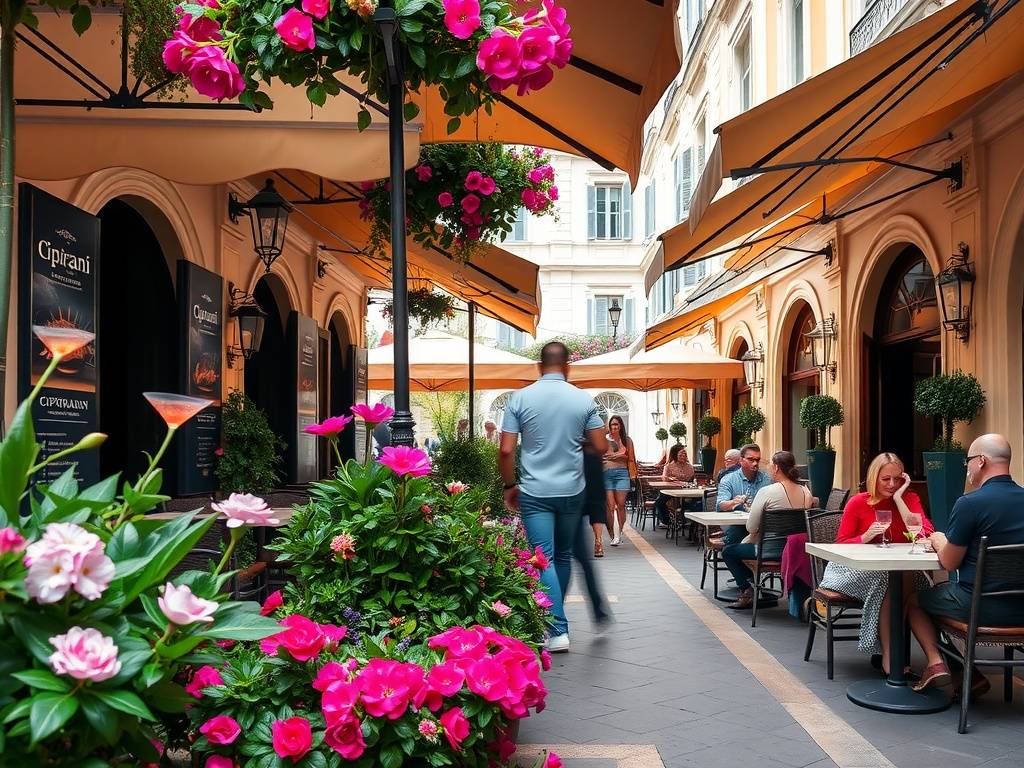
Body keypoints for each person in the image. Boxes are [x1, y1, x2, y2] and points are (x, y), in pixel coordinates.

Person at [499, 341, 607, 653]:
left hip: (534, 490)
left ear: (539, 366)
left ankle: (556, 628)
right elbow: (601, 447)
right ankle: (555, 624)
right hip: (573, 490)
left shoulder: (520, 398)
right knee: (561, 556)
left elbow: (506, 450)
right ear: (568, 366)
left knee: (542, 556)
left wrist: (509, 486)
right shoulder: (582, 399)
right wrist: (575, 442)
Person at [912, 434, 1024, 696]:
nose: (967, 468)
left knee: (914, 601)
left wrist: (940, 540)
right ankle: (965, 672)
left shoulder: (970, 504)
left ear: (981, 461)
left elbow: (950, 563)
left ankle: (941, 664)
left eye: (968, 461)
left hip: (980, 608)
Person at [818, 452, 942, 679]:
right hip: (851, 569)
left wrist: (899, 499)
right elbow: (841, 545)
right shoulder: (858, 502)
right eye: (886, 479)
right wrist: (864, 537)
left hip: (897, 569)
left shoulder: (910, 499)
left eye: (898, 479)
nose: (893, 484)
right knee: (893, 581)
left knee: (912, 580)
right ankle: (891, 654)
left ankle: (907, 657)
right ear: (874, 477)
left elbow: (924, 533)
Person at [721, 451, 815, 609]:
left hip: (769, 550)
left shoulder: (767, 491)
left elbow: (751, 527)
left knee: (728, 551)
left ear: (776, 468)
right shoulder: (806, 492)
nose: (769, 468)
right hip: (796, 552)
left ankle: (748, 589)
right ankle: (756, 588)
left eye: (770, 464)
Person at [570, 444, 613, 626]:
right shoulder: (590, 451)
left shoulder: (587, 453)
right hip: (572, 510)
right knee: (581, 560)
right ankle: (599, 610)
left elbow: (596, 493)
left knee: (561, 559)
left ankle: (554, 617)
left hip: (567, 509)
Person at [715, 444, 771, 545]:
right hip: (737, 525)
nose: (755, 463)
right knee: (737, 533)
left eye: (757, 460)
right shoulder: (728, 479)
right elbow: (720, 505)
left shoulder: (767, 479)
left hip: (761, 525)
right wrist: (734, 502)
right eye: (751, 459)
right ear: (741, 460)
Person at [603, 415, 634, 547]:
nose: (614, 427)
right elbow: (601, 456)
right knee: (611, 506)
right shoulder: (604, 439)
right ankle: (613, 535)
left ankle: (618, 531)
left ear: (621, 425)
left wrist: (617, 455)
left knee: (620, 505)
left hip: (622, 474)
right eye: (612, 424)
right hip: (606, 474)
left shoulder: (627, 440)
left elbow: (630, 458)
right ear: (609, 426)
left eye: (616, 424)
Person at [655, 444, 695, 527]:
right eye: (681, 454)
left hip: (686, 490)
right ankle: (667, 521)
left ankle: (690, 520)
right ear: (675, 455)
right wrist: (670, 479)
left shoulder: (690, 467)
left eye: (685, 454)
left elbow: (692, 480)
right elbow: (664, 478)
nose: (683, 456)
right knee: (659, 502)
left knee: (697, 501)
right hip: (671, 489)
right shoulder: (669, 466)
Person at [584, 447, 611, 558]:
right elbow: (601, 444)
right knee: (596, 505)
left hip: (573, 465)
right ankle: (598, 542)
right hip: (592, 462)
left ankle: (597, 540)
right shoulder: (594, 431)